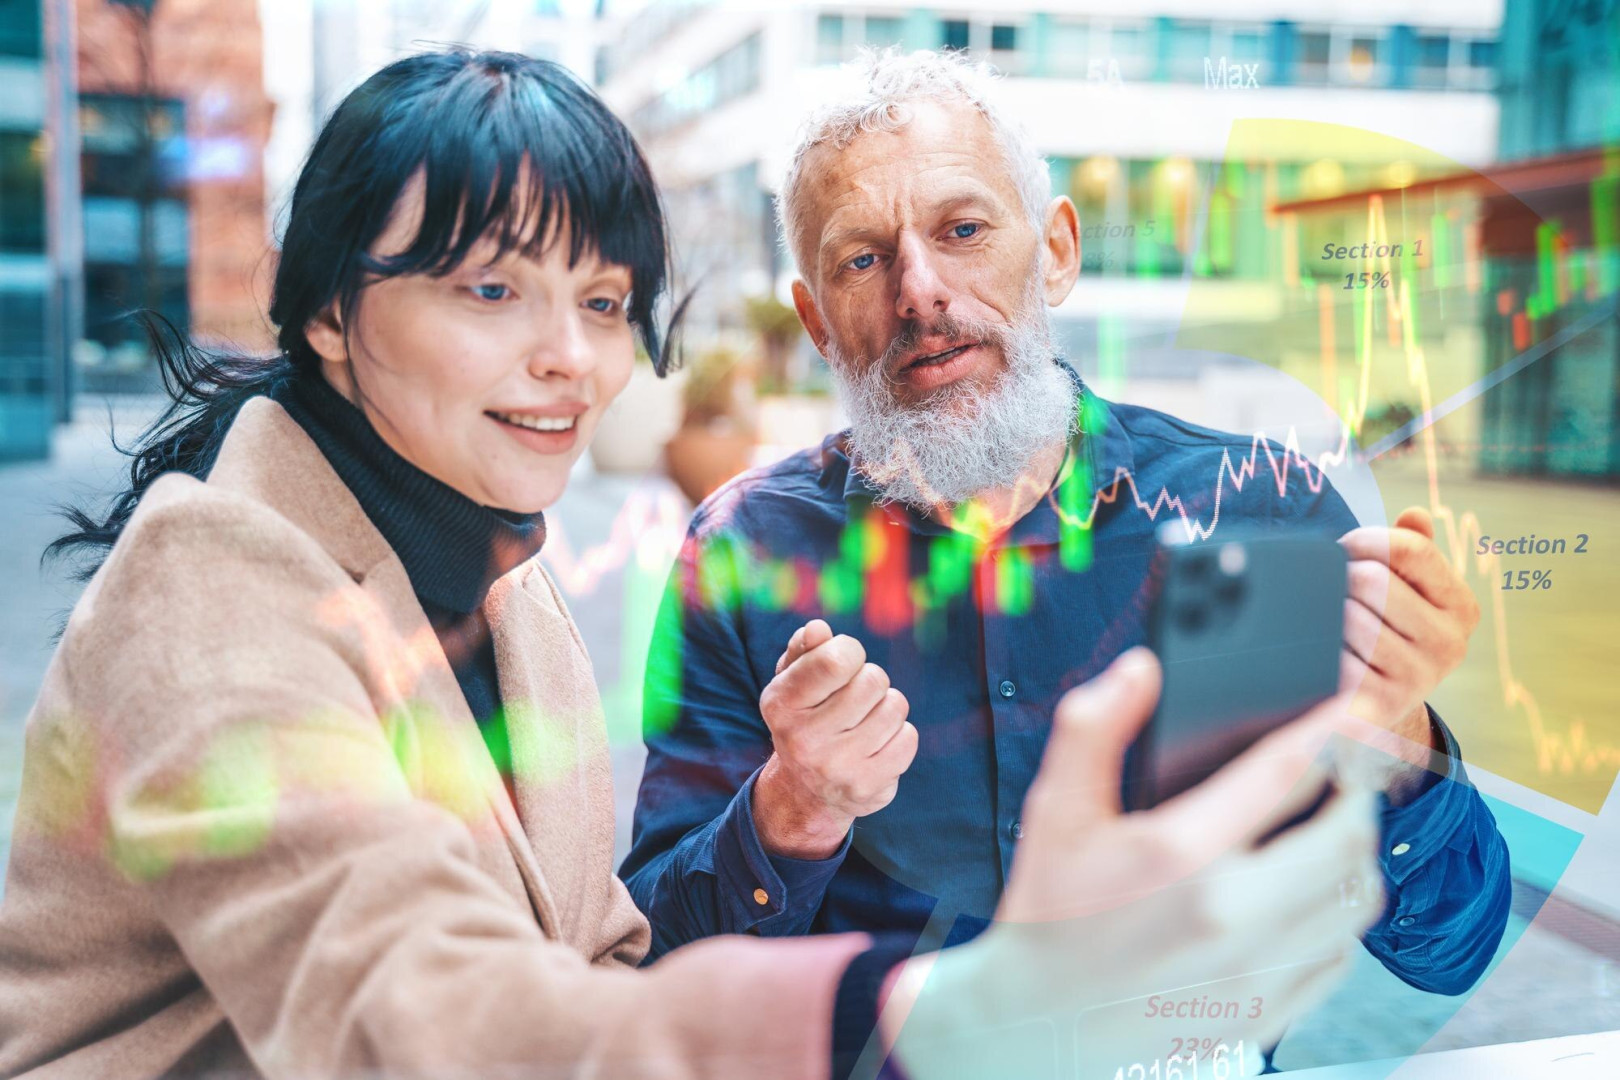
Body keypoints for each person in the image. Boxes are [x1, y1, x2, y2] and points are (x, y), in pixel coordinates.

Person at [0, 49, 1382, 1080]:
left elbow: (602, 957)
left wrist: (1404, 743)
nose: (569, 358)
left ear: (1057, 249)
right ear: (328, 319)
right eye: (492, 290)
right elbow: (406, 1011)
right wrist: (927, 1003)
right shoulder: (216, 575)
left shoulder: (511, 598)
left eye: (602, 302)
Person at [621, 47, 1512, 1011]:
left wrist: (1389, 733)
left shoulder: (1265, 514)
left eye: (963, 228)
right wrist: (794, 807)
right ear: (818, 321)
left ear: (1056, 251)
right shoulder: (743, 551)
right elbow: (654, 965)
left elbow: (1449, 953)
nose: (919, 290)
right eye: (864, 258)